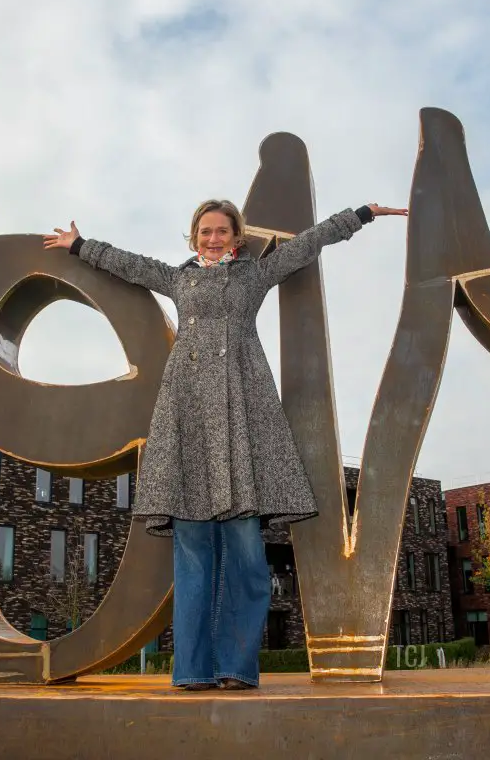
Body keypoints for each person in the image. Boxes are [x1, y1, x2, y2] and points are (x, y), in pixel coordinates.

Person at [43, 198, 407, 691]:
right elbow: (128, 264)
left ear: (236, 238)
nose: (212, 239)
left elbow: (308, 244)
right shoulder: (178, 278)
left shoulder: (254, 276)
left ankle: (236, 666)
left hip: (242, 415)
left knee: (245, 553)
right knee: (192, 553)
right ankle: (193, 670)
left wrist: (361, 214)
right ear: (193, 237)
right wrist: (80, 245)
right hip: (188, 416)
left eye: (221, 231)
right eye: (204, 232)